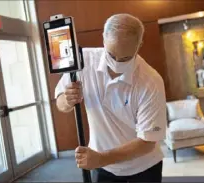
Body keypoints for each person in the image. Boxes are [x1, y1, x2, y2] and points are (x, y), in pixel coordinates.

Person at [55, 14, 167, 182]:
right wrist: (67, 100)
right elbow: (60, 104)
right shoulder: (83, 61)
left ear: (139, 45)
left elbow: (147, 141)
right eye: (111, 55)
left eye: (126, 58)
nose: (117, 63)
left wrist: (101, 158)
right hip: (103, 166)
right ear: (104, 39)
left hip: (144, 166)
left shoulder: (151, 81)